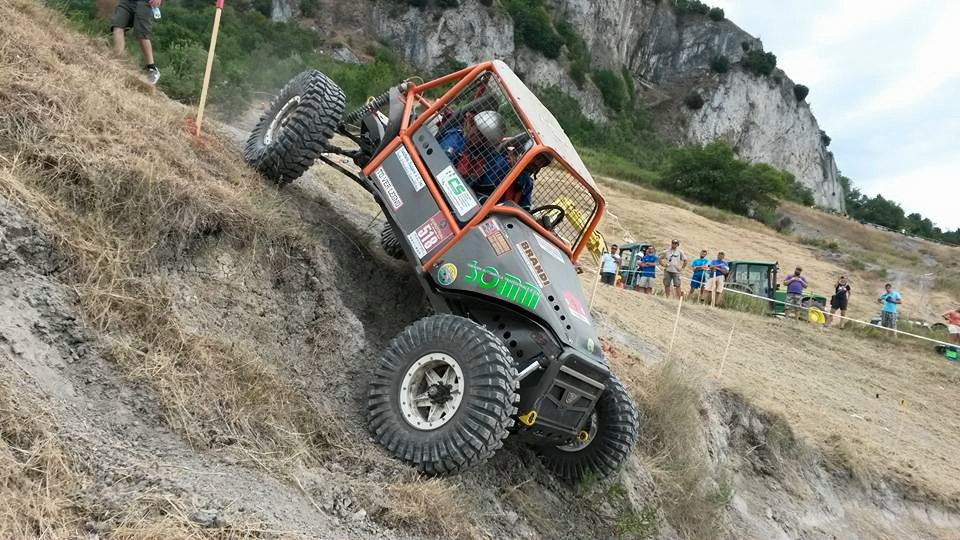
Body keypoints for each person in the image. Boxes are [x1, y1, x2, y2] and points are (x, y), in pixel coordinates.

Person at [438, 110, 510, 206]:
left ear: (487, 141)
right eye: (475, 128)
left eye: (480, 135)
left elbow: (483, 193)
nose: (474, 134)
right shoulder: (456, 138)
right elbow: (437, 164)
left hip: (457, 202)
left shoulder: (489, 161)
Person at [112, 0, 162, 85]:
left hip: (145, 2)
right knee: (117, 26)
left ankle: (152, 68)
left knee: (142, 34)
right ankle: (118, 61)